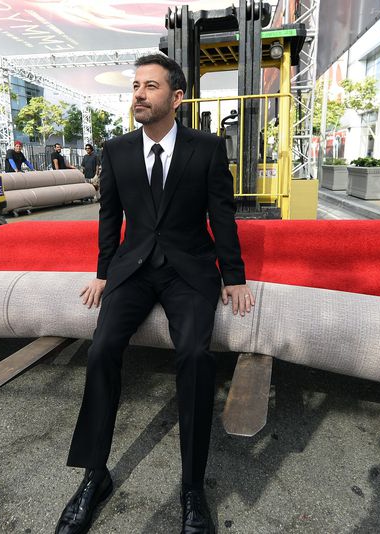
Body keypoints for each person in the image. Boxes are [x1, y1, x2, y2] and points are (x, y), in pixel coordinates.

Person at [54, 54, 254, 534]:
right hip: (134, 268)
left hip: (188, 269)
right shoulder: (117, 150)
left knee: (194, 356)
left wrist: (234, 275)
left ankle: (192, 488)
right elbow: (109, 217)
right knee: (100, 349)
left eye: (150, 86)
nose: (139, 94)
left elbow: (222, 215)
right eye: (136, 86)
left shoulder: (206, 149)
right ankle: (93, 476)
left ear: (177, 98)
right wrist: (104, 272)